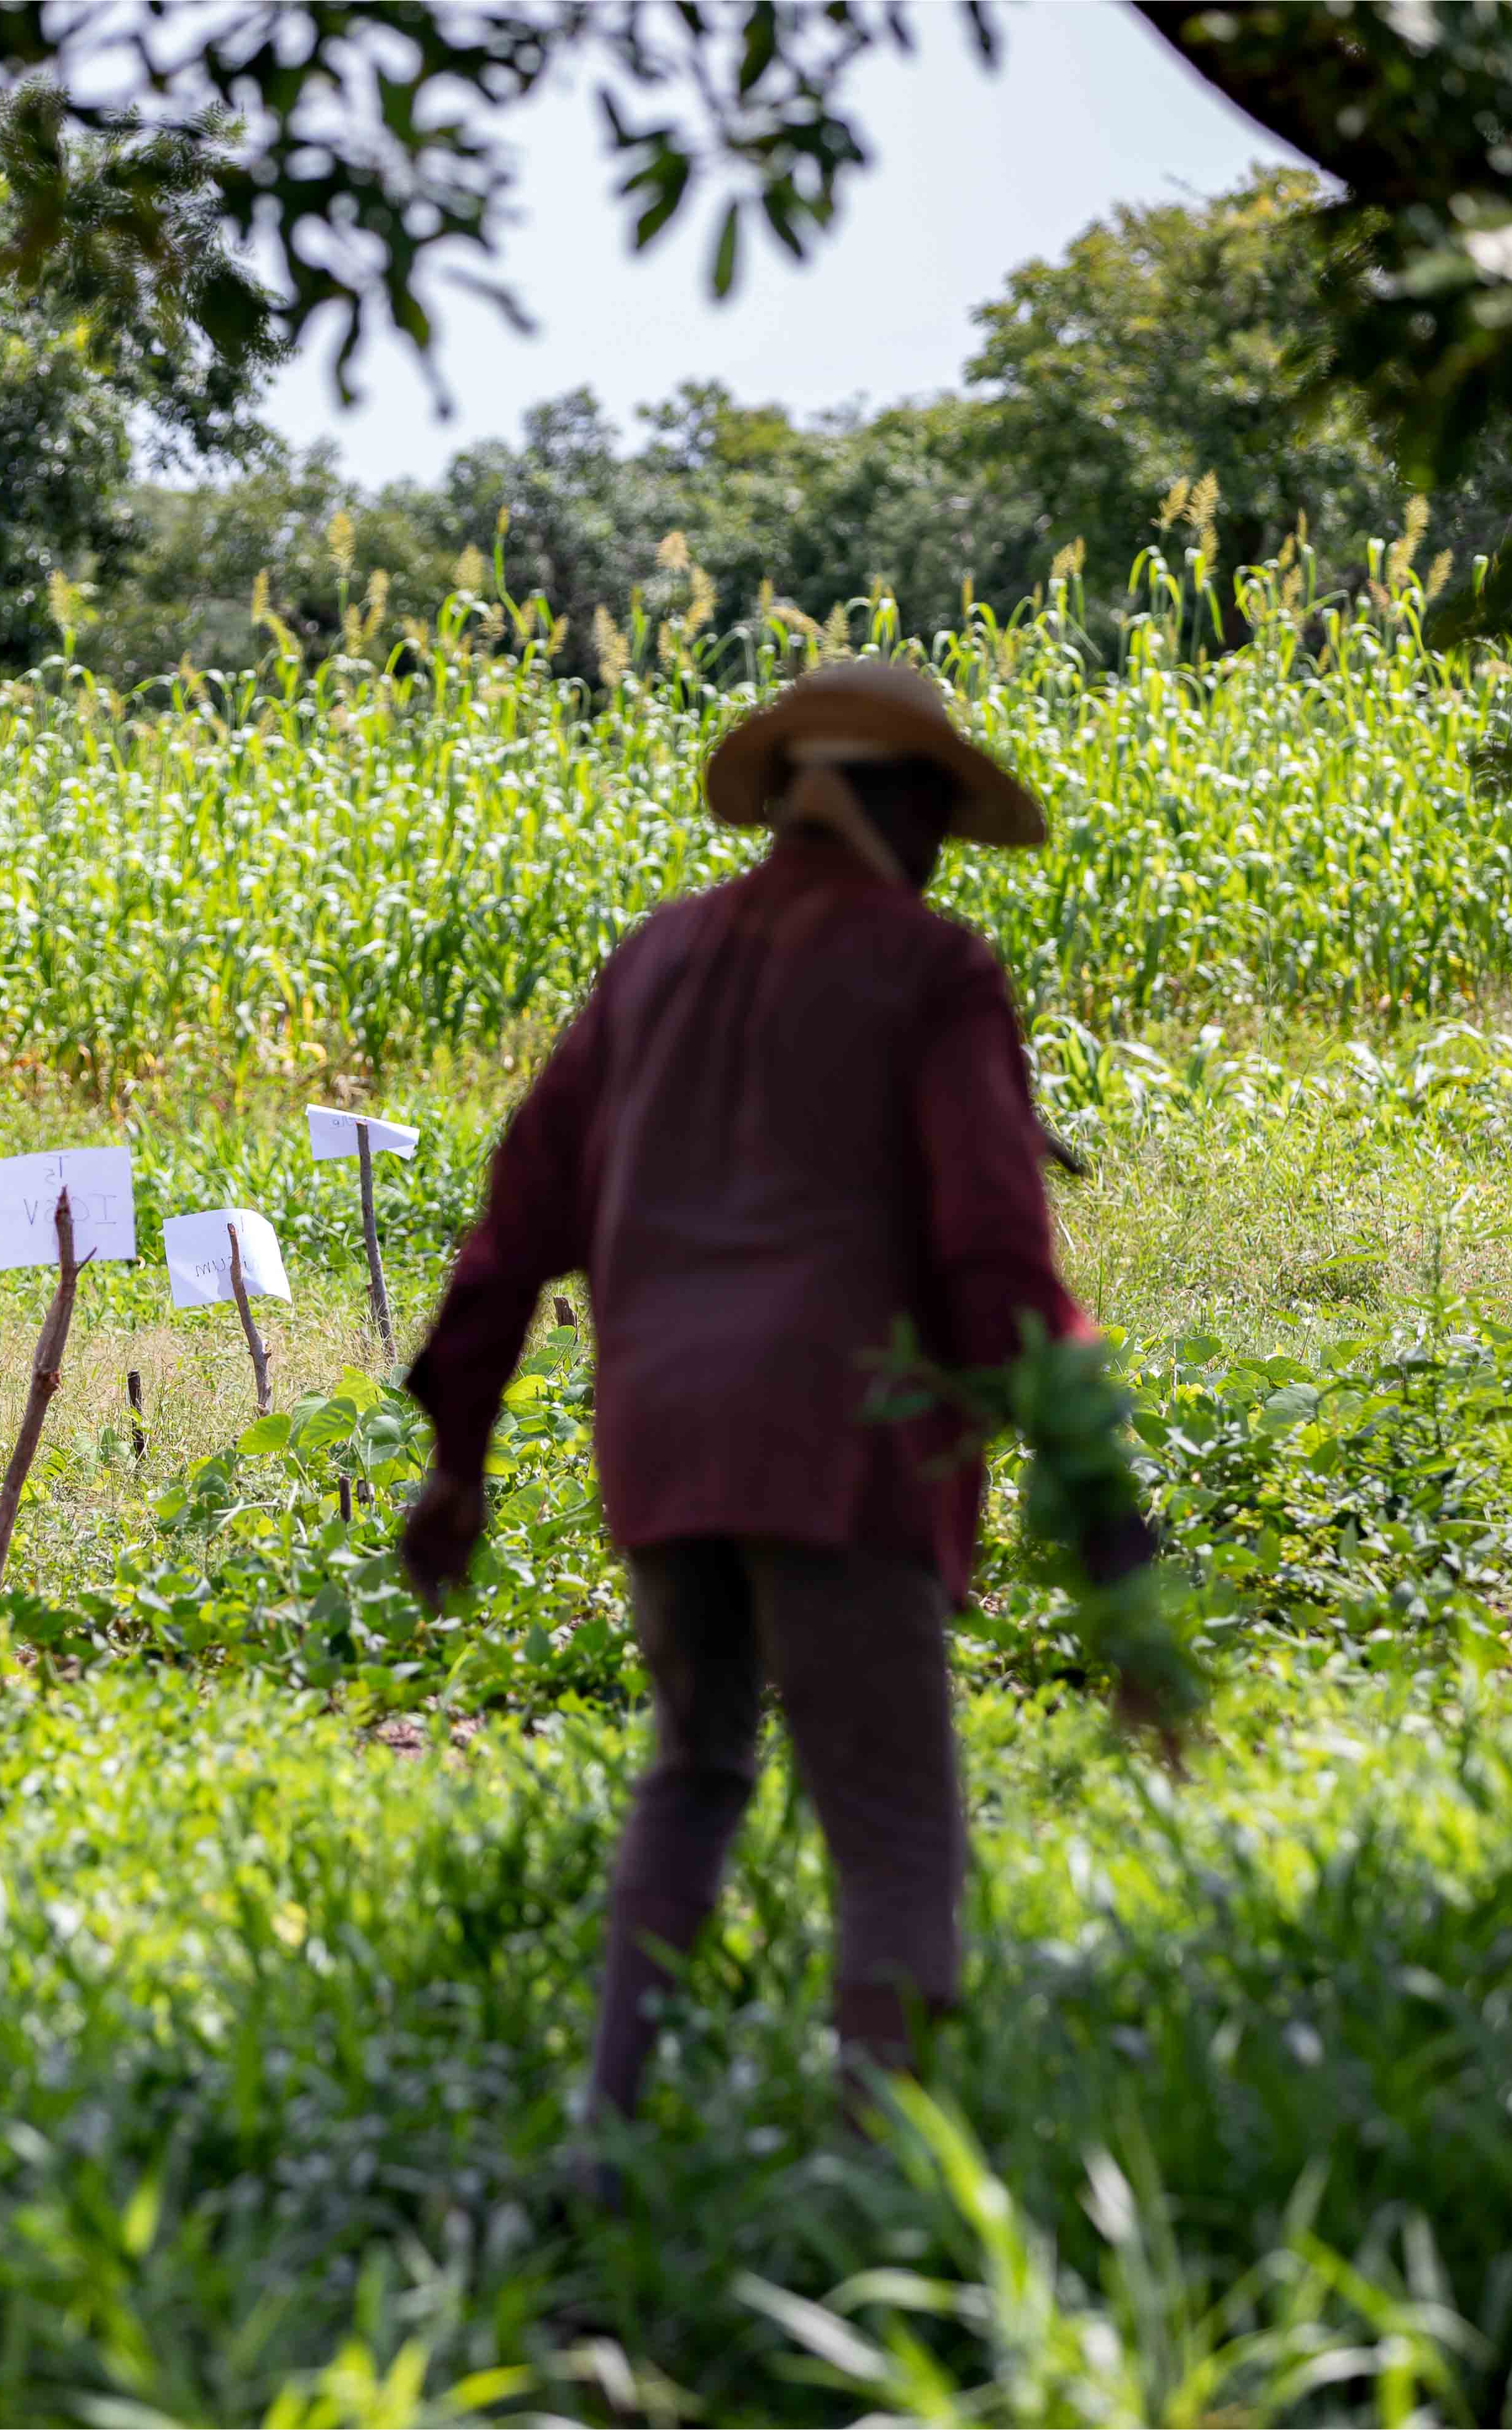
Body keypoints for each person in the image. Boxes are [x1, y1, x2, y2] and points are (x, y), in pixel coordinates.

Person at [393, 657, 1196, 2126]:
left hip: (659, 1445)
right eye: (938, 816)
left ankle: (608, 2137)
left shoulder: (654, 961)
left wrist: (458, 1458)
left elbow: (516, 1219)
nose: (944, 851)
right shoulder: (928, 966)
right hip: (843, 1446)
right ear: (898, 806)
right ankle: (874, 2183)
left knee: (693, 1773)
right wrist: (1108, 1534)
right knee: (892, 1826)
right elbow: (995, 1264)